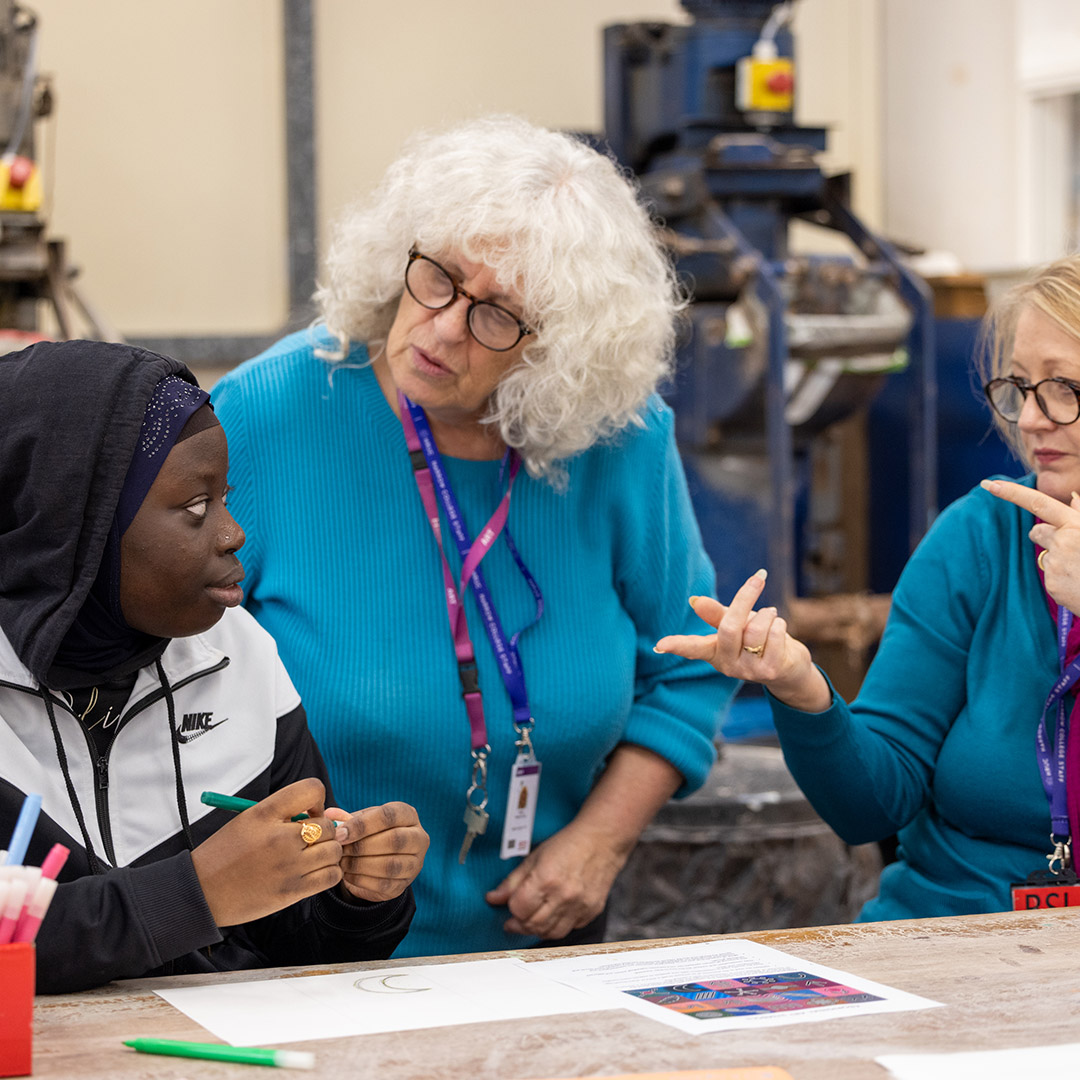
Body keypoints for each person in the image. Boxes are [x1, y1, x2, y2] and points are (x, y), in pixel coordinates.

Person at [212, 114, 737, 956]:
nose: (446, 326)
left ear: (558, 350)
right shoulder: (266, 415)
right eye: (438, 279)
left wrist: (601, 840)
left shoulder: (618, 442)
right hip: (304, 945)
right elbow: (163, 686)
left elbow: (693, 663)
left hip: (539, 930)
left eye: (498, 315)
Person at [656, 254, 1080, 921]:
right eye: (1020, 387)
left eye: (1064, 388)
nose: (1030, 419)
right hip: (951, 937)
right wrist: (802, 691)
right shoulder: (980, 534)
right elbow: (871, 807)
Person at [0, 339, 429, 993]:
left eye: (225, 498)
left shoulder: (238, 650)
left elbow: (299, 945)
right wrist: (193, 896)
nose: (234, 534)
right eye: (196, 509)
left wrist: (356, 895)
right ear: (71, 528)